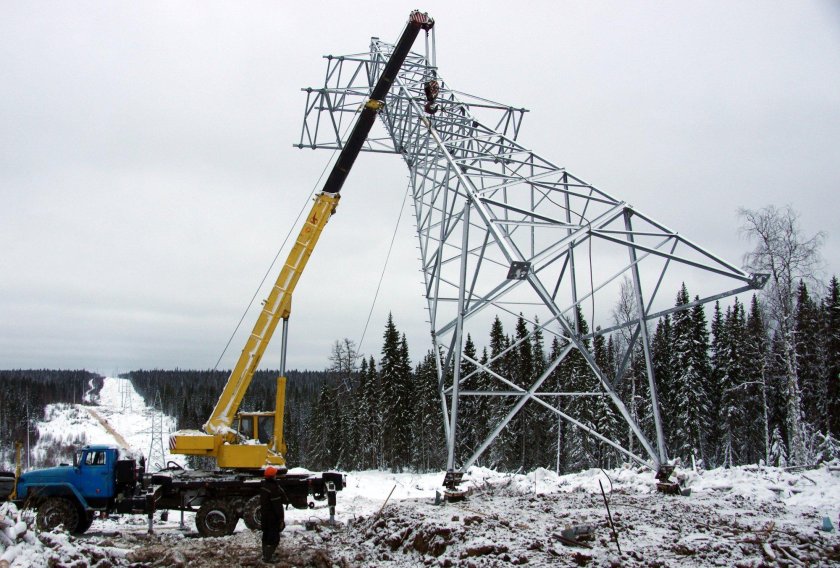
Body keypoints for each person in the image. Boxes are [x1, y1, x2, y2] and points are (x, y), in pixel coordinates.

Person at [260, 466, 286, 562]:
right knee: (274, 537)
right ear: (273, 476)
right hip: (272, 517)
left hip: (265, 515)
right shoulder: (273, 488)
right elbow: (277, 505)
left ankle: (266, 554)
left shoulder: (264, 485)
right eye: (275, 474)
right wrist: (281, 519)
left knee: (266, 534)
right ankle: (268, 557)